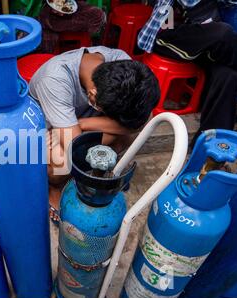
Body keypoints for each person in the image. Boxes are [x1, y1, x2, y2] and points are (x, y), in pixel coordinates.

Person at [29, 46, 161, 217]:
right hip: (50, 130)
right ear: (93, 96)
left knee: (145, 118)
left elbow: (140, 121)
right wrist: (109, 128)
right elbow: (74, 145)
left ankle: (97, 165)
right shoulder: (54, 80)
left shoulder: (122, 64)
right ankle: (53, 188)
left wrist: (83, 123)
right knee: (61, 159)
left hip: (81, 123)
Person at [138, 0, 237, 144]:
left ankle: (210, 147)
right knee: (223, 33)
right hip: (167, 37)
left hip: (205, 40)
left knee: (230, 75)